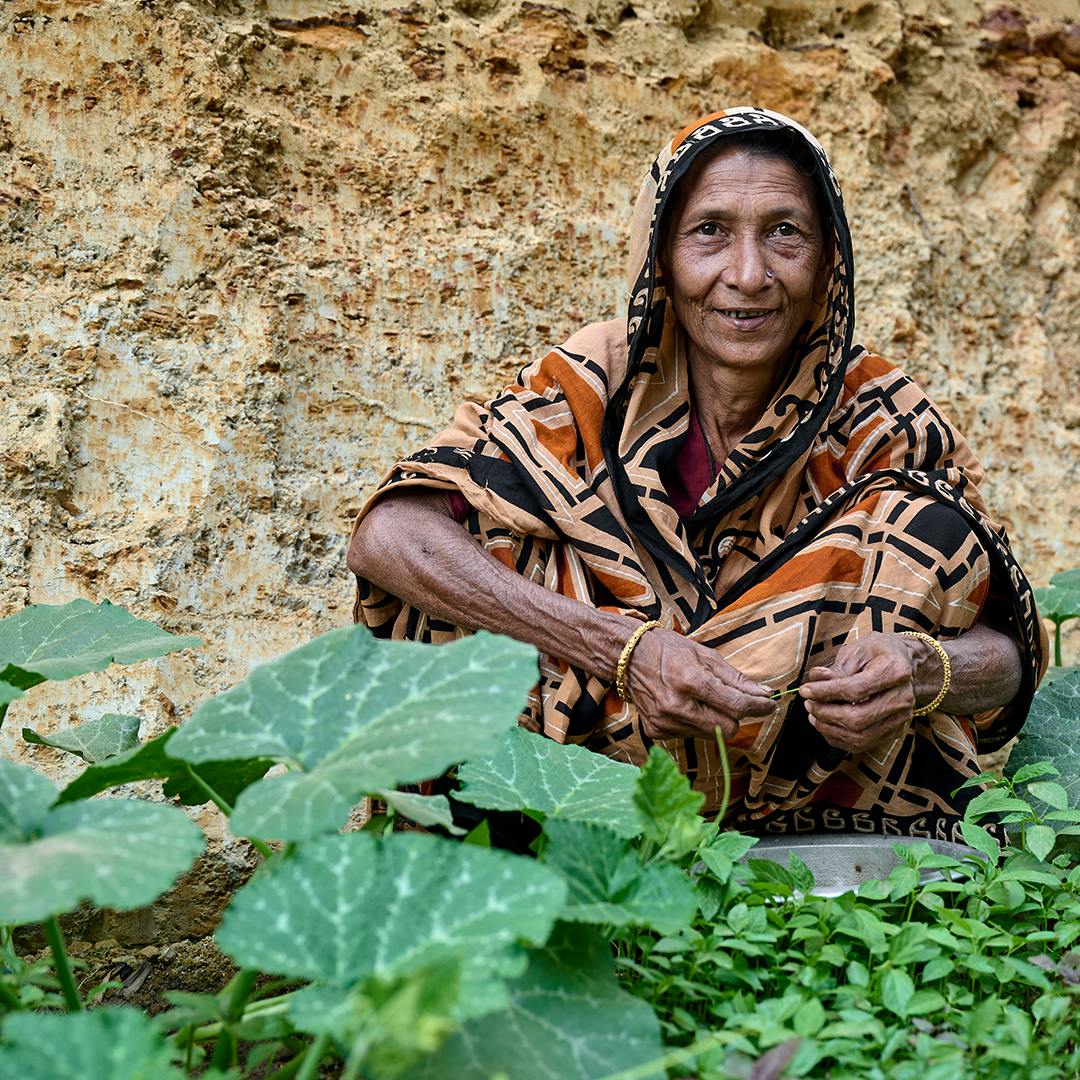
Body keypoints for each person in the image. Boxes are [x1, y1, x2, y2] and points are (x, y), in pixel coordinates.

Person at [348, 106, 1047, 841]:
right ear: (663, 258)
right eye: (709, 231)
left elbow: (1008, 655)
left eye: (786, 233)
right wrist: (620, 649)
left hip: (811, 787)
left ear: (826, 264)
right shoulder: (589, 387)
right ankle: (485, 883)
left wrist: (921, 669)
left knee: (923, 528)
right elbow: (390, 535)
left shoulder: (878, 416)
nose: (747, 276)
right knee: (474, 552)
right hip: (587, 784)